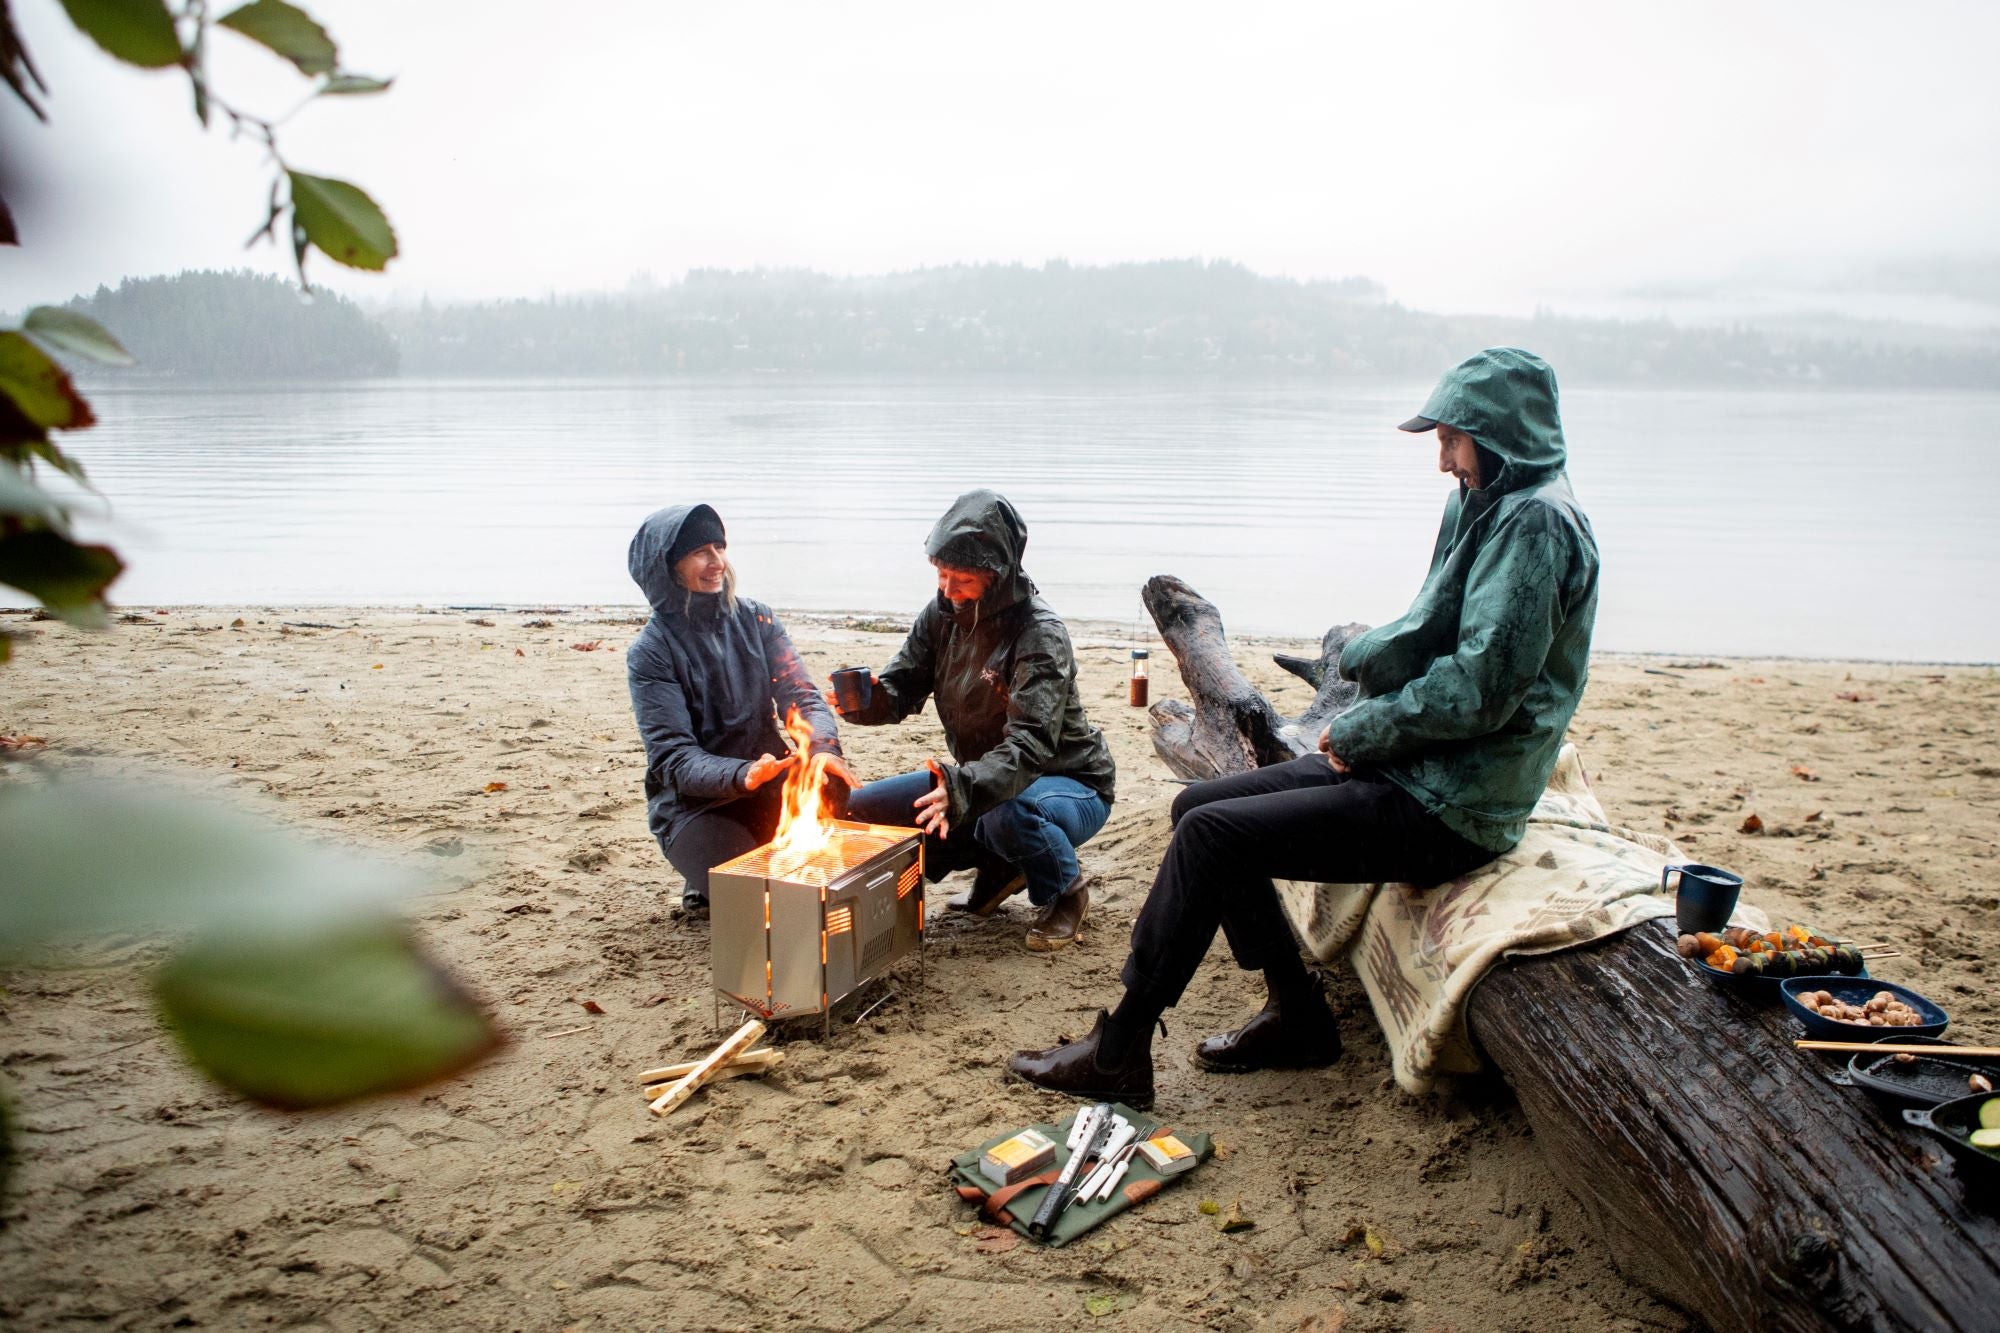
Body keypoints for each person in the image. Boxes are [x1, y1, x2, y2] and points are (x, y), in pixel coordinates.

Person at [1009, 347, 1601, 1108]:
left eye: (1451, 440)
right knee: (1196, 807)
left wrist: (1363, 733)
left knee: (1211, 836)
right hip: (1420, 764)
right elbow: (1431, 629)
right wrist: (1359, 666)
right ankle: (1297, 1014)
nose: (1444, 460)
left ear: (1499, 435)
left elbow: (1478, 692)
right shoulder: (1487, 500)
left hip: (1457, 800)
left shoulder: (1539, 526)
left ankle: (1121, 1048)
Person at [835, 490, 1117, 952]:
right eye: (941, 575)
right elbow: (902, 686)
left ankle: (1066, 892)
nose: (947, 589)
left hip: (1068, 782)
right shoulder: (942, 614)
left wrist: (961, 788)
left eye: (961, 579)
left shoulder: (1039, 634)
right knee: (862, 808)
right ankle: (1003, 867)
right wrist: (866, 702)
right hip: (983, 779)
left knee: (1007, 814)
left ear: (997, 574)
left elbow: (1030, 746)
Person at [626, 503, 852, 920]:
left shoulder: (757, 618)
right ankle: (702, 875)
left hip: (767, 781)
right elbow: (673, 758)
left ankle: (734, 861)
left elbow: (800, 695)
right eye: (700, 552)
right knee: (757, 895)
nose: (717, 562)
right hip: (697, 806)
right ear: (667, 567)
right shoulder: (650, 653)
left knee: (830, 784)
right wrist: (740, 774)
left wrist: (822, 745)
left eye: (720, 547)